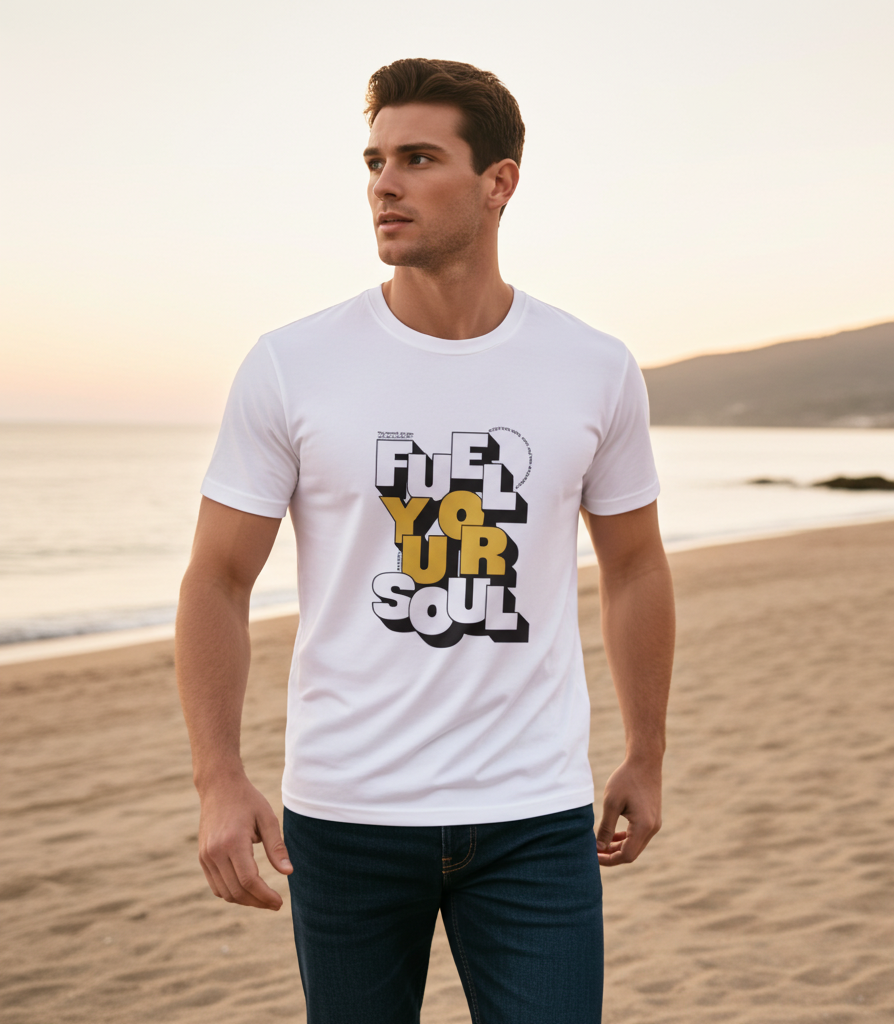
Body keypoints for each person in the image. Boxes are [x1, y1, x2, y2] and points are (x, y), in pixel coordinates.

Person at [176, 58, 675, 1024]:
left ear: (500, 182)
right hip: (345, 818)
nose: (383, 185)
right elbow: (217, 578)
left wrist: (646, 754)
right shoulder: (294, 365)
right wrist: (219, 777)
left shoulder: (594, 367)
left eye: (417, 158)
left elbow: (636, 564)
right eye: (373, 161)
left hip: (534, 812)